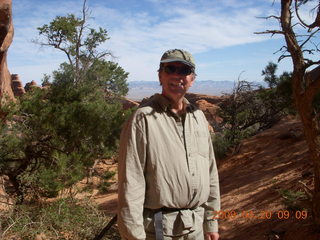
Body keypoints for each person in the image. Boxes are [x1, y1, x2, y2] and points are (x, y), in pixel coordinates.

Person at [117, 49, 220, 240]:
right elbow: (130, 183)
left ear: (192, 78)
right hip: (159, 230)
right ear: (160, 75)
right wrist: (133, 236)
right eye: (170, 68)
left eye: (184, 70)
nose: (176, 75)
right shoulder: (143, 118)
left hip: (196, 226)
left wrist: (211, 221)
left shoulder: (198, 117)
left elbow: (211, 172)